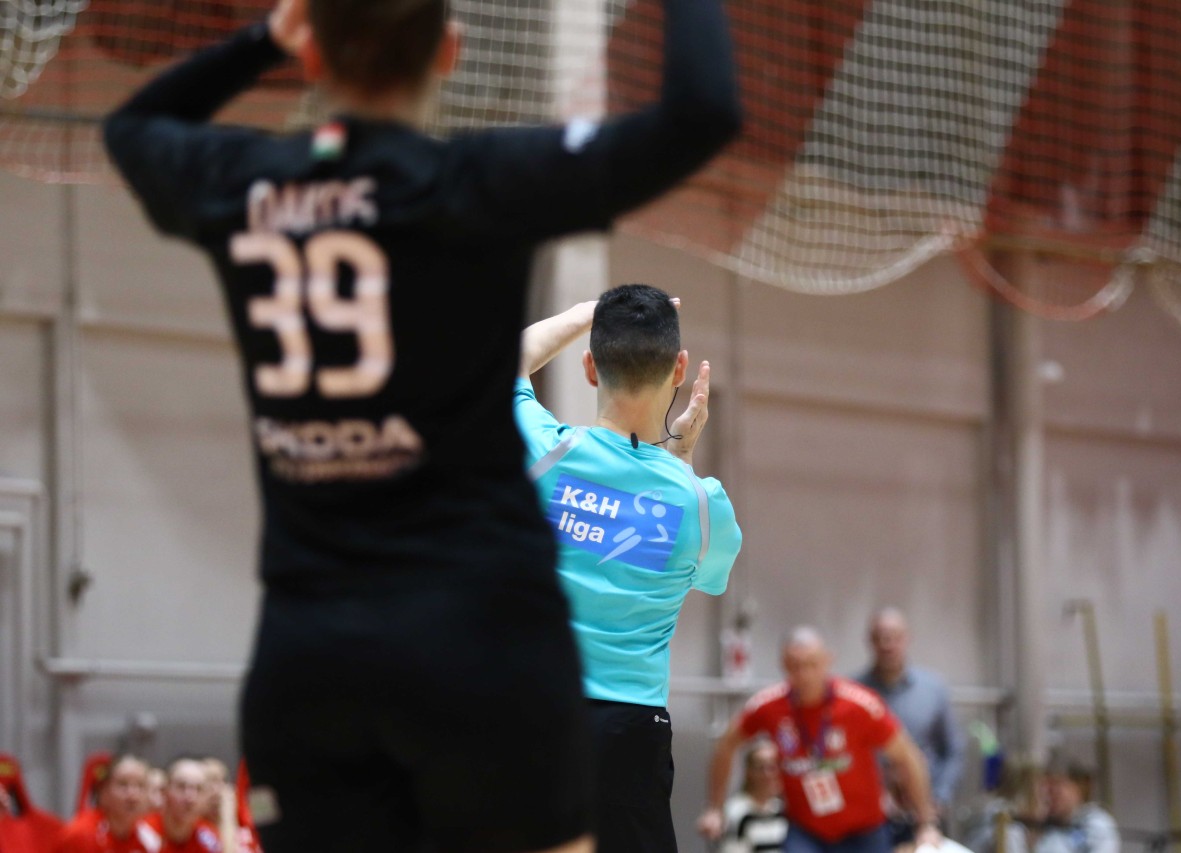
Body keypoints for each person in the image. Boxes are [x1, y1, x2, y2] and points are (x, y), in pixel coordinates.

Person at [101, 0, 741, 846]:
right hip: (466, 654)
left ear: (310, 49)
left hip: (310, 651)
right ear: (449, 51)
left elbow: (131, 126)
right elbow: (703, 113)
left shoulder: (255, 186)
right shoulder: (478, 181)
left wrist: (261, 41)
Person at [515, 287, 742, 852]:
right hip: (629, 736)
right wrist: (681, 460)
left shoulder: (543, 453)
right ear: (680, 369)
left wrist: (586, 313)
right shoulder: (702, 506)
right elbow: (711, 578)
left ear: (590, 367)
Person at [699, 627, 941, 853]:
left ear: (827, 660)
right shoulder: (768, 706)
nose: (804, 674)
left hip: (864, 831)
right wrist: (715, 808)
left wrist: (926, 824)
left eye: (812, 664)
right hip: (806, 830)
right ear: (783, 664)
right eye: (795, 666)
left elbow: (907, 756)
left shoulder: (860, 705)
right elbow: (726, 745)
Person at [856, 607, 965, 834]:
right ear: (870, 641)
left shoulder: (933, 688)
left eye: (894, 637)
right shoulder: (854, 693)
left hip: (926, 809)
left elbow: (953, 750)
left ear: (907, 638)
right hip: (871, 816)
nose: (887, 644)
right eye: (881, 637)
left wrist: (939, 797)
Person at [54, 754, 158, 853]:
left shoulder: (150, 839)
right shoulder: (80, 834)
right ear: (103, 792)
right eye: (123, 784)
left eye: (141, 786)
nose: (132, 795)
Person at [1030, 757, 1117, 853]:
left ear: (1078, 787)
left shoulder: (1096, 822)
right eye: (1047, 787)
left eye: (1057, 785)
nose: (1050, 794)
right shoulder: (1046, 828)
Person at [720, 740, 787, 853]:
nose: (768, 773)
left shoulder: (782, 809)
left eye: (773, 766)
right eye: (760, 767)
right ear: (748, 771)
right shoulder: (734, 811)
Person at [141, 758, 219, 853]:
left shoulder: (208, 838)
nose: (190, 798)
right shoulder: (143, 833)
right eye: (181, 787)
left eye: (198, 789)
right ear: (164, 791)